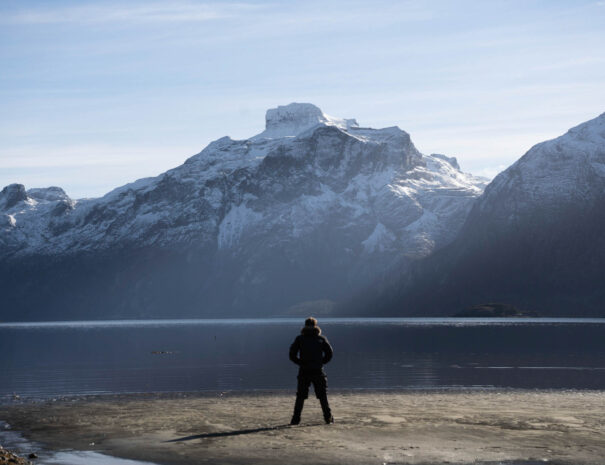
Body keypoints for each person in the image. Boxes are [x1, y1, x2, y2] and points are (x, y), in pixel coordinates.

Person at [288, 316, 334, 425]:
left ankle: (295, 420)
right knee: (322, 396)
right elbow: (330, 354)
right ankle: (328, 418)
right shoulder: (321, 339)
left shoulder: (300, 339)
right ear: (315, 325)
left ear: (305, 325)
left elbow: (292, 354)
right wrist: (321, 362)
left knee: (300, 396)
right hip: (318, 371)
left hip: (304, 371)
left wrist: (300, 363)